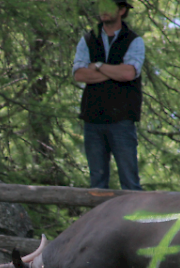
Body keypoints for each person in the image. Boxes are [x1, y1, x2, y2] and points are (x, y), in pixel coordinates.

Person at [73, 0, 145, 190]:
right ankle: (99, 220)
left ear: (122, 10)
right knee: (97, 182)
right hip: (93, 119)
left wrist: (97, 66)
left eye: (109, 6)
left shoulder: (134, 40)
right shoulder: (88, 39)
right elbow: (79, 74)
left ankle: (135, 220)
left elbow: (129, 73)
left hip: (122, 119)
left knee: (129, 181)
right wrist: (115, 72)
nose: (103, 11)